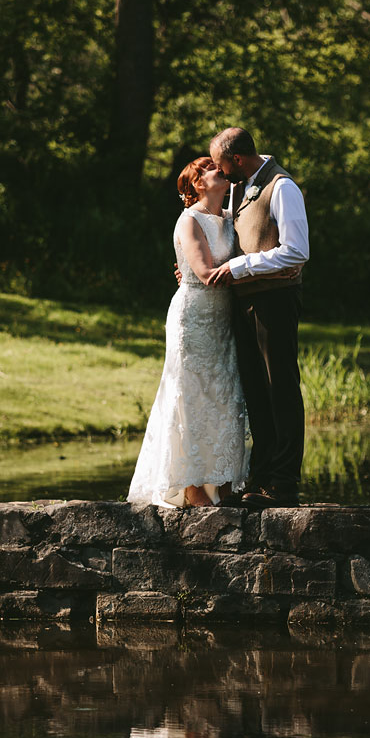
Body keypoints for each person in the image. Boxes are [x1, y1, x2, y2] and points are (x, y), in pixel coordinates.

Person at [128, 157, 247, 508]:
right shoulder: (189, 220)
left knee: (226, 395)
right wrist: (256, 268)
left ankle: (224, 482)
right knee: (192, 395)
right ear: (197, 183)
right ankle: (192, 486)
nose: (220, 169)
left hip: (225, 320)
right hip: (194, 320)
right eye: (211, 167)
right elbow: (207, 272)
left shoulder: (230, 218)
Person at [207, 127, 309, 508]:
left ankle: (284, 483)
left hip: (276, 301)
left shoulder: (282, 187)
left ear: (235, 159)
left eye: (220, 164)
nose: (218, 171)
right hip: (243, 301)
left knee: (279, 388)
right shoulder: (238, 186)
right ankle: (261, 478)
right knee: (255, 390)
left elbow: (296, 251)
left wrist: (242, 267)